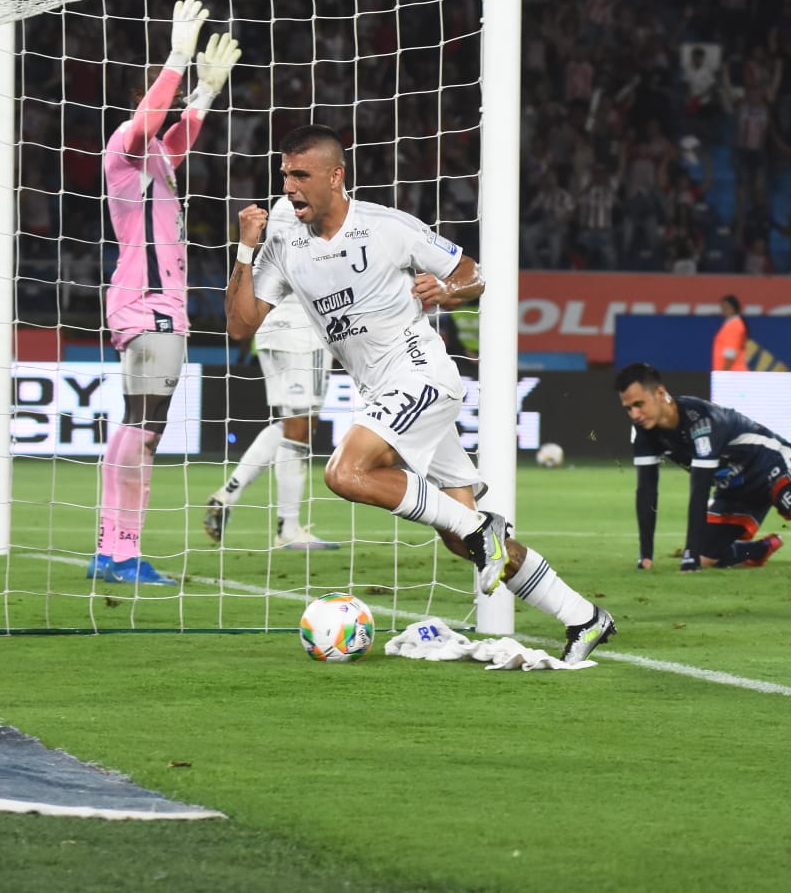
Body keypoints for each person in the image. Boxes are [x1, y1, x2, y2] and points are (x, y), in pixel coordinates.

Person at [225, 124, 615, 664]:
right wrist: (245, 249)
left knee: (346, 474)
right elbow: (242, 325)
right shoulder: (283, 238)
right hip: (380, 392)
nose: (289, 187)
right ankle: (585, 617)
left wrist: (448, 290)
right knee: (461, 538)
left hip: (422, 376)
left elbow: (472, 275)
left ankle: (484, 532)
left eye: (301, 175)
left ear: (336, 177)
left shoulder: (387, 228)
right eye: (285, 174)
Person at [86, 0, 240, 586]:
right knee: (144, 428)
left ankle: (114, 550)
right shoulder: (124, 147)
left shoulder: (158, 161)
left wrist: (205, 91)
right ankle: (120, 552)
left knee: (141, 426)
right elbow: (153, 124)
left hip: (158, 310)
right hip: (148, 309)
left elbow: (177, 137)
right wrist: (177, 59)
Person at [615, 361, 791, 577]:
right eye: (628, 409)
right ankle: (758, 549)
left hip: (769, 463)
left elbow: (700, 489)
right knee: (707, 557)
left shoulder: (700, 421)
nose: (635, 414)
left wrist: (688, 555)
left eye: (639, 404)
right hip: (734, 484)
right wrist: (646, 556)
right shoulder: (645, 433)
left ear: (661, 393)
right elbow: (647, 491)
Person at [205, 199, 338, 550]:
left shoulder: (282, 205)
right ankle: (288, 529)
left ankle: (228, 494)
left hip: (272, 324)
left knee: (292, 423)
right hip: (301, 329)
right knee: (300, 428)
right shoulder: (313, 203)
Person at [711, 294, 749, 372]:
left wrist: (724, 373)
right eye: (722, 307)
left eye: (726, 307)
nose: (723, 310)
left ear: (733, 308)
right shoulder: (732, 324)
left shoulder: (733, 325)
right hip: (731, 373)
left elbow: (730, 351)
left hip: (732, 374)